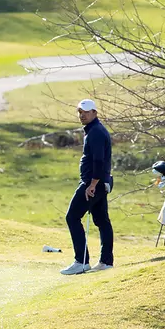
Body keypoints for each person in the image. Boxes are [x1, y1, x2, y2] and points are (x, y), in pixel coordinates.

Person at [61, 99, 113, 274]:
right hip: (99, 183)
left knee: (72, 217)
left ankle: (81, 261)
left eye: (85, 112)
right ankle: (106, 261)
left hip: (92, 184)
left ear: (94, 113)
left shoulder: (96, 132)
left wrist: (92, 184)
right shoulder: (93, 130)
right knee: (102, 221)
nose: (82, 115)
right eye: (80, 112)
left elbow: (99, 160)